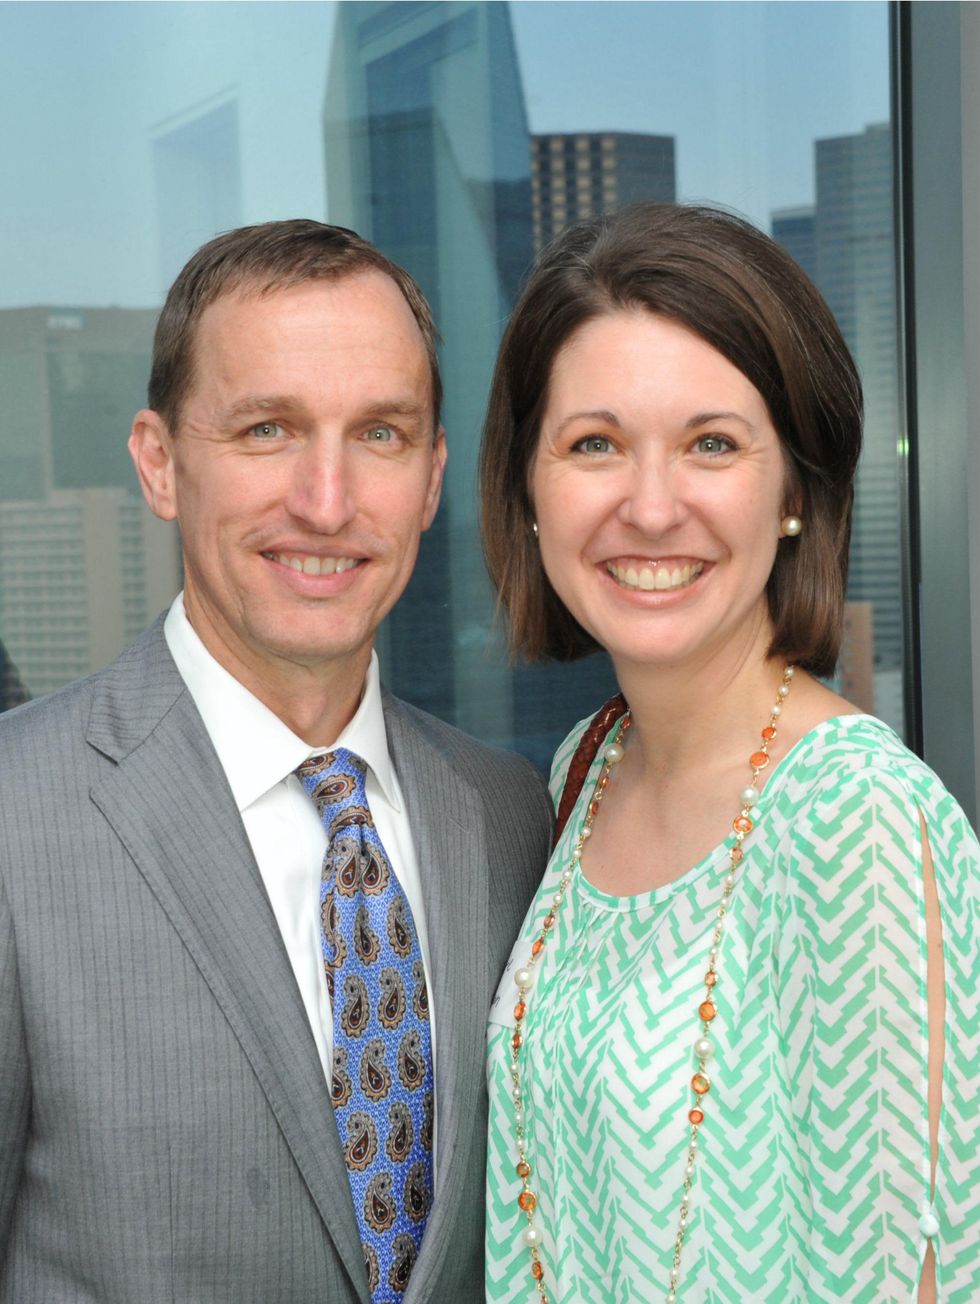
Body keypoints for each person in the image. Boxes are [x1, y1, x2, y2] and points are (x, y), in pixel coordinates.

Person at [0, 220, 552, 1304]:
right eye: (267, 429)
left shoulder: (506, 815)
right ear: (159, 463)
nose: (327, 500)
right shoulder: (16, 819)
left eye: (382, 435)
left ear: (433, 475)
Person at [480, 203, 977, 1304]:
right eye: (593, 444)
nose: (649, 507)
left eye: (710, 443)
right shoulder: (584, 767)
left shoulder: (856, 817)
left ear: (793, 490)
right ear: (527, 486)